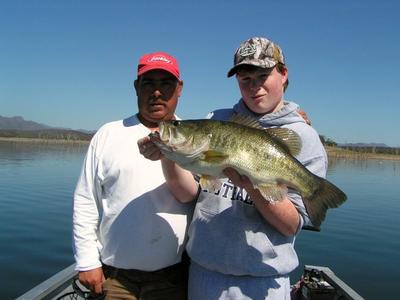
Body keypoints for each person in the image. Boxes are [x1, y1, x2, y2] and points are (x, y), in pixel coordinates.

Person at [139, 36, 327, 299]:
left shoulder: (304, 137)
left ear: (283, 74)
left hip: (262, 283)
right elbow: (187, 194)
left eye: (263, 75)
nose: (255, 87)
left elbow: (291, 225)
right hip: (204, 275)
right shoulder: (216, 120)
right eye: (245, 79)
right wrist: (168, 155)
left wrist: (252, 186)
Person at [72, 51, 197, 299]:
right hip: (116, 279)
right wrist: (87, 261)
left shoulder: (197, 138)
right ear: (136, 86)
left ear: (179, 88)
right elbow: (85, 200)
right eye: (149, 83)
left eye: (166, 84)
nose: (157, 92)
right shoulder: (108, 134)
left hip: (173, 279)